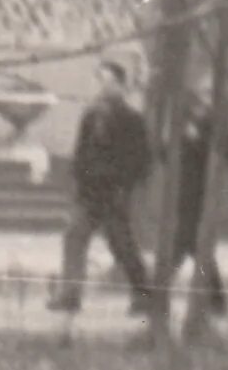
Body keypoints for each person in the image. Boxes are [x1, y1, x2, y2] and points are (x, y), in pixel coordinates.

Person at [51, 61, 156, 314]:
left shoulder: (133, 120)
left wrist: (125, 187)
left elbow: (140, 160)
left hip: (114, 193)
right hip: (89, 193)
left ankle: (143, 295)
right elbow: (81, 152)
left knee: (122, 245)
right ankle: (70, 294)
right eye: (101, 82)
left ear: (121, 86)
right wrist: (78, 179)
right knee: (74, 235)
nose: (104, 88)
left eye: (110, 82)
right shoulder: (90, 115)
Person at [166, 89, 228, 314]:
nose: (203, 105)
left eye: (208, 99)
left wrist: (199, 140)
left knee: (186, 244)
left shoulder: (218, 127)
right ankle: (217, 302)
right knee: (192, 246)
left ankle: (156, 294)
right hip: (185, 192)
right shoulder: (184, 124)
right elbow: (168, 153)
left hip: (202, 194)